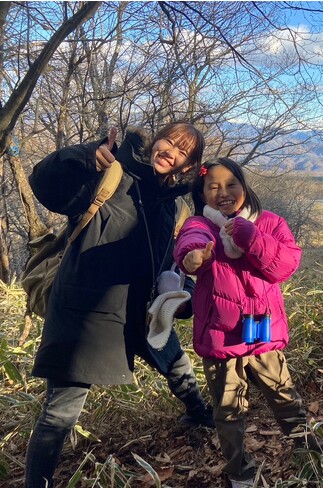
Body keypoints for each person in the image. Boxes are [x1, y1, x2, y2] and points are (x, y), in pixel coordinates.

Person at [25, 122, 213, 488]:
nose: (170, 152)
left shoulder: (171, 207)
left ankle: (199, 414)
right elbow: (44, 184)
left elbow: (172, 260)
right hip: (87, 312)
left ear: (187, 167)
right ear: (156, 141)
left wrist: (181, 292)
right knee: (61, 412)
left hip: (139, 311)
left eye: (182, 152)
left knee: (175, 362)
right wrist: (84, 157)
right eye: (169, 143)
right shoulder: (109, 175)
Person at [173, 157, 322, 488]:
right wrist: (193, 257)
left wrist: (251, 237)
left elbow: (285, 265)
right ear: (202, 193)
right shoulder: (200, 225)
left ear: (245, 187)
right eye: (212, 187)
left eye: (231, 185)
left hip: (262, 335)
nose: (223, 192)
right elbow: (188, 244)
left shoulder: (269, 223)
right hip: (222, 339)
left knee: (285, 398)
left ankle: (310, 453)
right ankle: (240, 470)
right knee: (228, 412)